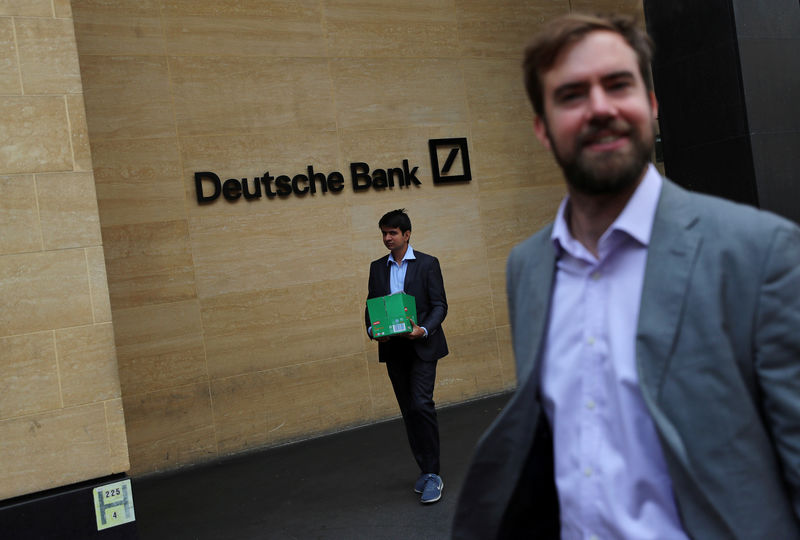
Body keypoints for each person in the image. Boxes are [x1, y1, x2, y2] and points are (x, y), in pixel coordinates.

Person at [453, 13, 800, 540]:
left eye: (618, 85)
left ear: (652, 105)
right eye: (571, 95)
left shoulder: (759, 252)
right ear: (542, 128)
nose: (600, 108)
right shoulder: (527, 268)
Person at [366, 209, 449, 504]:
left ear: (407, 235)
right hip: (394, 349)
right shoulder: (377, 268)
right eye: (384, 234)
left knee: (421, 403)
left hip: (423, 346)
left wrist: (424, 329)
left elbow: (440, 305)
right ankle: (426, 471)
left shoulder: (427, 264)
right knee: (409, 410)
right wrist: (374, 331)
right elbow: (371, 309)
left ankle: (433, 474)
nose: (387, 238)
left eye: (392, 233)